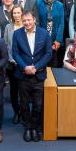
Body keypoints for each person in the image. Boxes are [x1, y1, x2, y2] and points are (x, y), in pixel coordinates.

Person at [12, 11, 53, 142]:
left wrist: (36, 67)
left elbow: (48, 53)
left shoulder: (44, 33)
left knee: (37, 105)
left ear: (34, 20)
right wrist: (24, 67)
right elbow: (15, 53)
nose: (27, 23)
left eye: (29, 20)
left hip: (39, 74)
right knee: (23, 104)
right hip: (23, 75)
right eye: (24, 21)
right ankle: (27, 128)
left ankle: (34, 127)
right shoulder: (17, 34)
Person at [3, 4, 24, 124]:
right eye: (14, 13)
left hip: (24, 64)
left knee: (23, 91)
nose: (16, 15)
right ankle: (16, 112)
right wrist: (11, 59)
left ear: (22, 13)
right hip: (12, 65)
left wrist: (22, 61)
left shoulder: (27, 26)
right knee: (14, 90)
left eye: (18, 12)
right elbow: (5, 45)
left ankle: (23, 112)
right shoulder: (8, 27)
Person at [37, 0, 65, 67]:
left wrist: (58, 40)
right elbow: (37, 21)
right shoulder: (38, 3)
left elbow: (61, 23)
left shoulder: (59, 5)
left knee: (53, 61)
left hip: (55, 36)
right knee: (42, 61)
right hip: (42, 36)